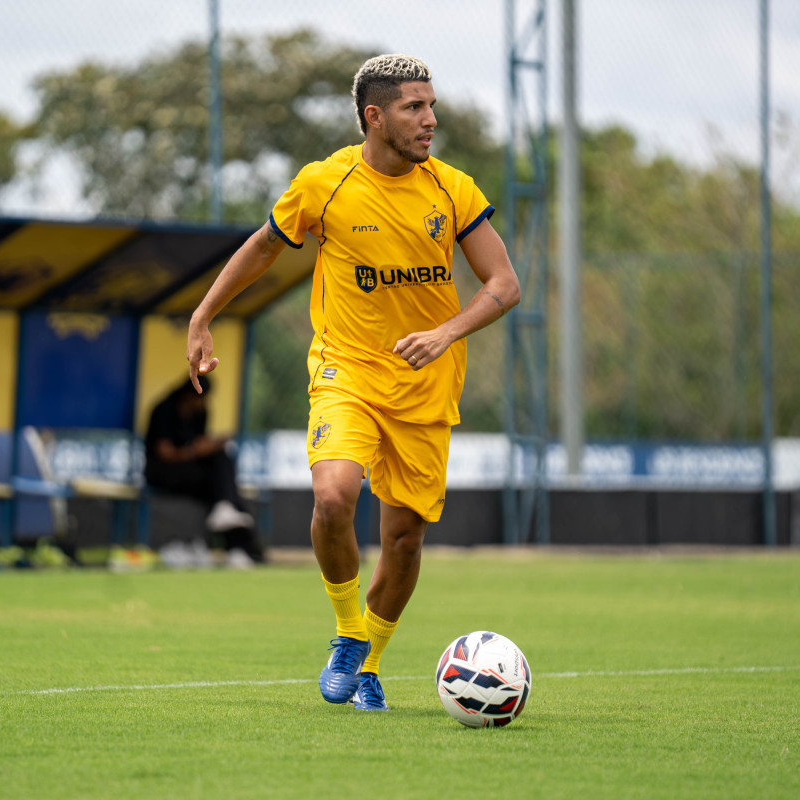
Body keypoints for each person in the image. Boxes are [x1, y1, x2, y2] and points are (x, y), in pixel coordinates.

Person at [186, 54, 520, 711]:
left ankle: (369, 663)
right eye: (413, 108)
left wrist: (446, 332)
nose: (430, 120)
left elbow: (504, 285)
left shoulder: (453, 190)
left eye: (431, 105)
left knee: (403, 540)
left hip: (425, 385)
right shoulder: (325, 183)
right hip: (346, 369)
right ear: (375, 117)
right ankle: (347, 635)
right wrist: (203, 316)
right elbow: (262, 246)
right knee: (334, 497)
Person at [143, 375, 265, 567]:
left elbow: (201, 442)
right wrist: (194, 451)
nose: (201, 403)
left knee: (222, 459)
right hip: (163, 473)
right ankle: (242, 549)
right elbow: (164, 453)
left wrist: (210, 446)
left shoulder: (201, 412)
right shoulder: (164, 409)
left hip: (192, 473)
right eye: (198, 398)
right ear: (186, 394)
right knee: (225, 491)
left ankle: (228, 519)